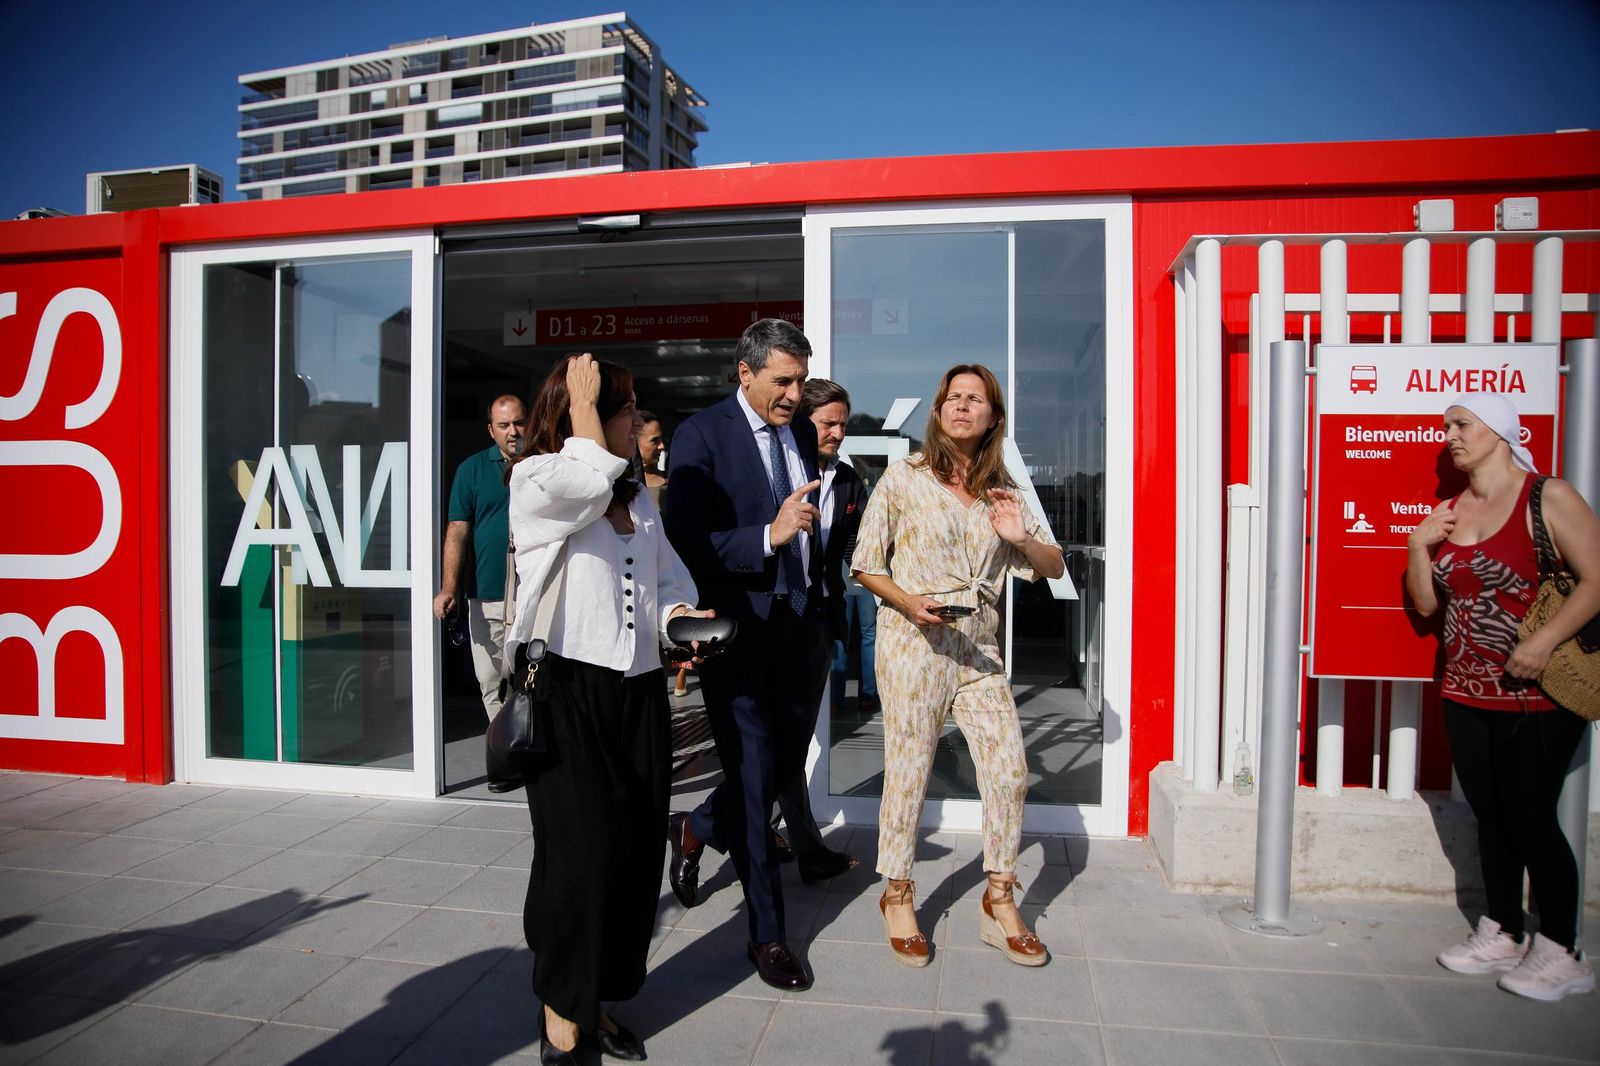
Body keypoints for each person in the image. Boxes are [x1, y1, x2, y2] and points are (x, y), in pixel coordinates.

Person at [505, 353, 707, 1061]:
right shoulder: (539, 479)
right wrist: (587, 409)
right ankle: (562, 1004)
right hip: (566, 691)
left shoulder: (637, 493)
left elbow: (665, 576)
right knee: (578, 859)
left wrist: (683, 618)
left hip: (639, 691)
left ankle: (599, 998)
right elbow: (585, 480)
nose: (635, 420)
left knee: (630, 858)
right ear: (582, 411)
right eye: (623, 407)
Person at [851, 364, 1065, 969]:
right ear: (939, 410)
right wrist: (909, 603)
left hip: (979, 649)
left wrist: (1019, 536)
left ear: (994, 417)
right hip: (914, 644)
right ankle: (897, 892)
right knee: (910, 770)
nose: (962, 405)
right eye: (953, 397)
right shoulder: (903, 479)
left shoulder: (1006, 493)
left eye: (976, 399)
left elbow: (1050, 567)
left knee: (1008, 772)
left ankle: (999, 899)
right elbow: (866, 564)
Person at [1405, 392, 1599, 1002]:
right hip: (1464, 689)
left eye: (1462, 424)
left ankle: (1564, 949)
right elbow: (1429, 606)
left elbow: (1597, 580)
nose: (1451, 436)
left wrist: (1542, 642)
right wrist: (1418, 547)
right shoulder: (1453, 510)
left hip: (1536, 694)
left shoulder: (1550, 496)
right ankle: (1503, 929)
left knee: (1530, 817)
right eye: (1448, 427)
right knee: (1490, 815)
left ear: (1501, 431)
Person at [662, 318, 830, 991]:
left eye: (799, 381)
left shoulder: (796, 434)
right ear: (745, 372)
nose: (795, 395)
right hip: (738, 634)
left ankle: (699, 825)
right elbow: (686, 541)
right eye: (783, 381)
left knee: (780, 768)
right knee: (759, 781)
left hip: (799, 629)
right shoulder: (701, 435)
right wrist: (768, 534)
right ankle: (768, 935)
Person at [769, 379, 864, 882]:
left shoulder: (849, 482)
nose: (838, 431)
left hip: (818, 623)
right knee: (779, 742)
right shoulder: (778, 471)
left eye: (843, 423)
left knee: (792, 740)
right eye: (828, 422)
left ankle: (748, 829)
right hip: (770, 623)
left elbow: (861, 549)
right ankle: (801, 846)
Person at [434, 394, 526, 720]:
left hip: (536, 596)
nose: (512, 431)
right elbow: (457, 530)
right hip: (486, 596)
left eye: (518, 422)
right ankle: (506, 755)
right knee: (492, 681)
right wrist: (448, 588)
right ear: (491, 430)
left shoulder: (545, 463)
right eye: (504, 425)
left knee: (530, 683)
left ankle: (534, 755)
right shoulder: (471, 470)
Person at [636, 410, 669, 507]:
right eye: (654, 440)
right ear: (634, 442)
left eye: (661, 439)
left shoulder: (669, 480)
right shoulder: (619, 484)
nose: (661, 446)